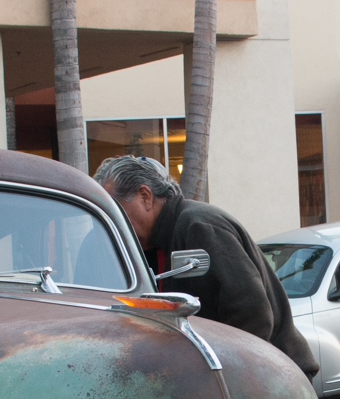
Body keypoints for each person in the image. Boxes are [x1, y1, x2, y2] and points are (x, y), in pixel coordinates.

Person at [93, 154, 319, 377]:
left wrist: (220, 379)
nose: (115, 223)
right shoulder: (154, 242)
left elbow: (252, 313)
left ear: (145, 196)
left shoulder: (198, 225)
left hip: (274, 376)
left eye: (117, 211)